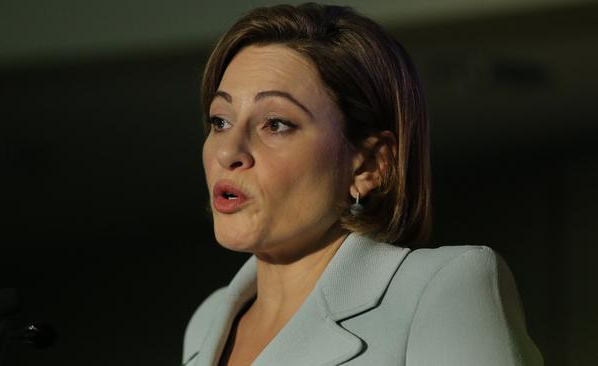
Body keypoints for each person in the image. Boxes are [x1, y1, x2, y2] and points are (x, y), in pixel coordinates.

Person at [183, 3, 543, 366]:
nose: (228, 152)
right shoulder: (207, 322)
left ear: (369, 165)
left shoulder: (441, 289)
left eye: (275, 123)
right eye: (220, 121)